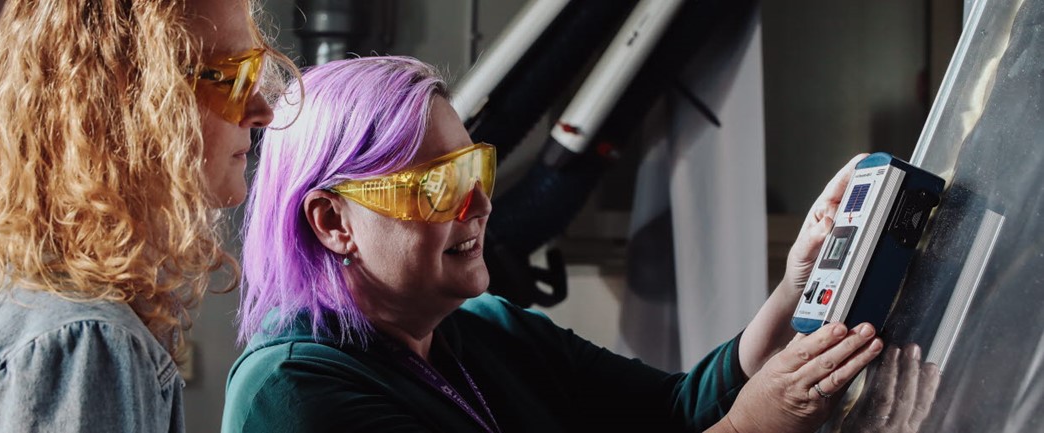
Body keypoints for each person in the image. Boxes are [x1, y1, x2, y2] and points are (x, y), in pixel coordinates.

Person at [223, 56, 882, 433]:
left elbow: (674, 411)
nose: (479, 204)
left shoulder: (486, 330)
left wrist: (798, 282)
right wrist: (750, 427)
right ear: (333, 221)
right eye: (435, 187)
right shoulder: (291, 392)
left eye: (474, 168)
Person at [0, 0, 296, 431]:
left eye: (255, 75)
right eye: (230, 77)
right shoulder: (87, 343)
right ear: (127, 100)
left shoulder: (27, 291)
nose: (262, 111)